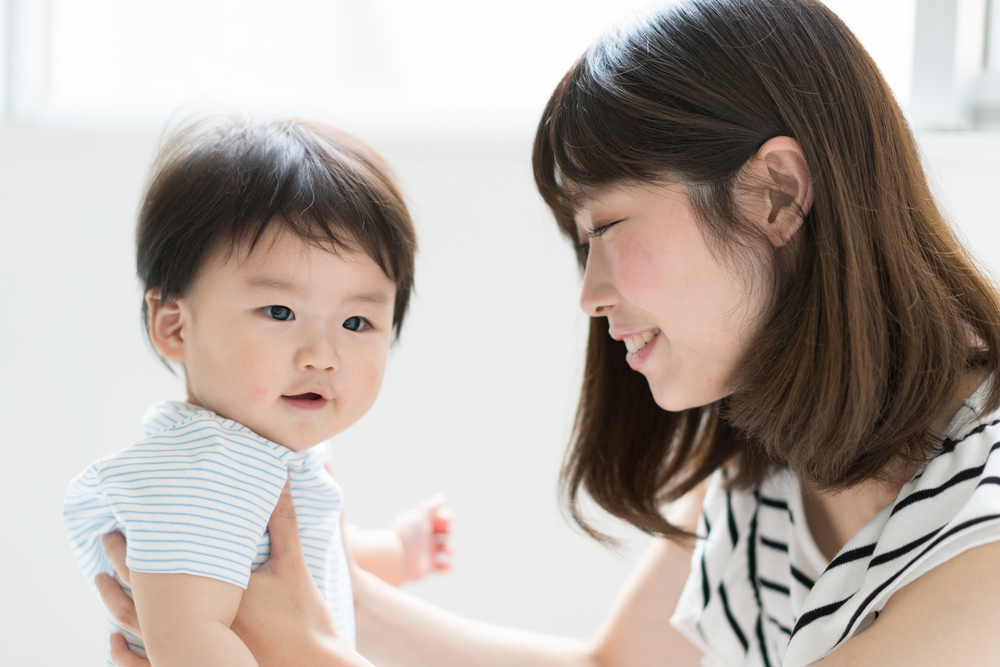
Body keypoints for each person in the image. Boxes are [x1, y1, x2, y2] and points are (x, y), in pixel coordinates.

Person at [94, 0, 1000, 665]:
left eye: (606, 228)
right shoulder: (761, 452)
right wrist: (312, 591)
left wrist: (312, 653)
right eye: (581, 245)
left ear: (777, 193)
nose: (590, 294)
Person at [63, 117, 452, 667]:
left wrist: (398, 551)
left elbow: (314, 565)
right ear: (175, 326)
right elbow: (191, 639)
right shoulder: (198, 474)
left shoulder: (264, 456)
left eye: (357, 322)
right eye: (279, 311)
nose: (322, 353)